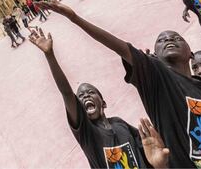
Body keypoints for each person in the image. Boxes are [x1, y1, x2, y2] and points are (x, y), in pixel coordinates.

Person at [36, 0, 201, 168]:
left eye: (176, 37)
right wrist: (75, 19)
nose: (168, 39)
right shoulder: (157, 79)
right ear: (154, 58)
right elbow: (121, 48)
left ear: (190, 52)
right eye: (161, 41)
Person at [29, 27, 169, 168]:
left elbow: (148, 150)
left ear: (103, 103)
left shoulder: (120, 124)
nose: (85, 96)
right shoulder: (88, 134)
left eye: (90, 92)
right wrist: (50, 55)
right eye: (81, 96)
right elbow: (66, 93)